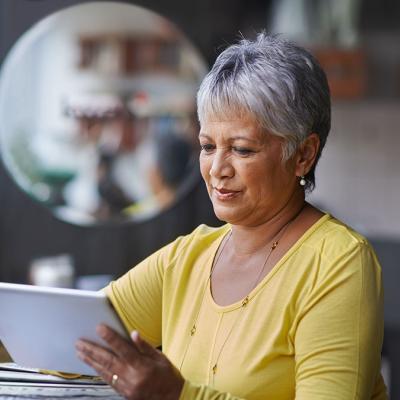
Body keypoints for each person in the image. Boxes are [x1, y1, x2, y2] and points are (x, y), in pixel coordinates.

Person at [75, 33, 387, 399]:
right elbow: (71, 341)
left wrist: (177, 395)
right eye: (208, 147)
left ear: (303, 155)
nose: (217, 169)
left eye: (241, 149)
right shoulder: (186, 259)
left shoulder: (337, 263)